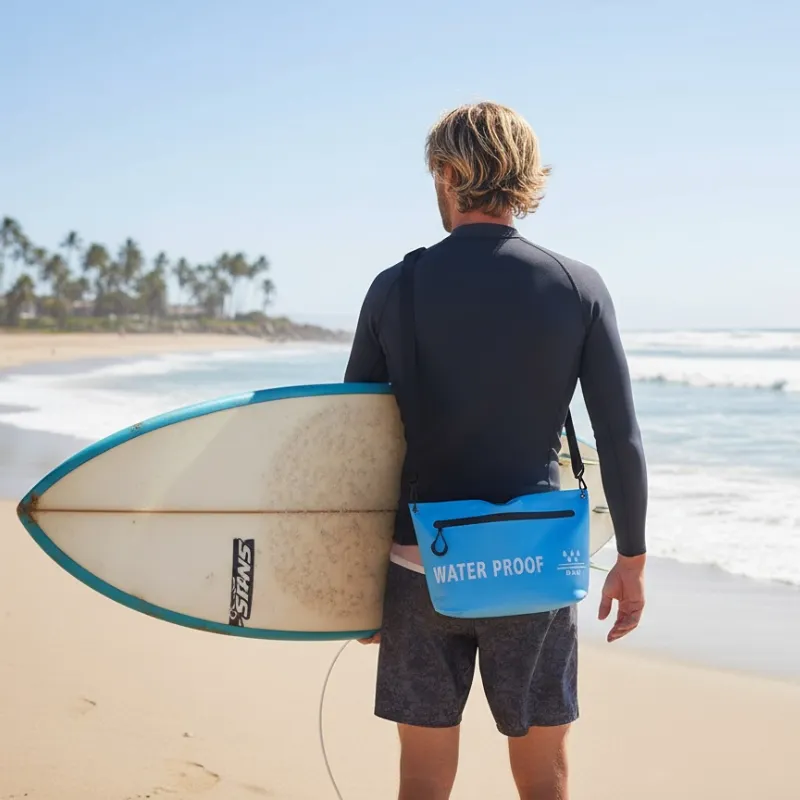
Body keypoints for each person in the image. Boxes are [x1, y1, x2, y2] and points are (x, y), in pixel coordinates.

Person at [343, 102, 647, 800]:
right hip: (535, 566)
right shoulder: (576, 285)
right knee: (542, 777)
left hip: (420, 564)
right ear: (525, 175)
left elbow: (356, 441)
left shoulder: (396, 287)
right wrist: (630, 559)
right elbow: (620, 436)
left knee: (422, 778)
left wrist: (355, 583)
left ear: (448, 174)